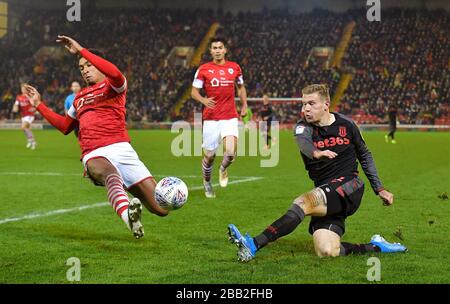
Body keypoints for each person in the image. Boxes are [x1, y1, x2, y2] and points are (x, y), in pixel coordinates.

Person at [228, 84, 407, 262]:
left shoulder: (347, 125)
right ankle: (376, 246)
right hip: (325, 192)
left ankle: (253, 243)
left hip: (350, 185)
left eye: (311, 103)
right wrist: (316, 153)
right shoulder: (302, 127)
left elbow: (365, 155)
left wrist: (379, 188)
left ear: (326, 104)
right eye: (304, 104)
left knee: (302, 202)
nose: (305, 109)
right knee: (327, 251)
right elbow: (304, 143)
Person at [24, 35, 169, 239]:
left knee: (161, 208)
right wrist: (39, 105)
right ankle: (129, 217)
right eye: (81, 68)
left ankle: (160, 195)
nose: (84, 70)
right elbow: (65, 127)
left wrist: (82, 50)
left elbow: (116, 73)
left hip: (123, 150)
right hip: (94, 152)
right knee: (110, 175)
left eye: (88, 65)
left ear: (100, 65)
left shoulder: (114, 86)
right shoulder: (79, 97)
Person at [191, 37, 248, 198]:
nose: (217, 50)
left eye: (220, 47)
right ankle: (207, 183)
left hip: (230, 116)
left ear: (225, 50)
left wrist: (244, 105)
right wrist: (203, 100)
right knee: (209, 156)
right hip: (211, 118)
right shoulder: (203, 69)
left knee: (230, 153)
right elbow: (194, 92)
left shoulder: (234, 68)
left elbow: (241, 88)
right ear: (210, 51)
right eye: (214, 48)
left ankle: (223, 169)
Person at [12, 83, 37, 150]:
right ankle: (31, 141)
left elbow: (36, 104)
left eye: (24, 89)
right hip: (23, 115)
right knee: (27, 129)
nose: (23, 90)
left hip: (30, 115)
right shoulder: (19, 97)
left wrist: (34, 108)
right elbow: (16, 104)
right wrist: (15, 108)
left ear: (27, 89)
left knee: (23, 127)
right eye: (22, 89)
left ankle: (32, 141)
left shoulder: (30, 96)